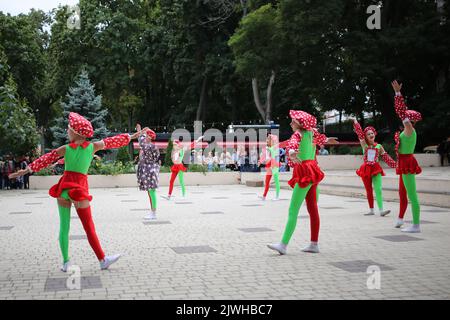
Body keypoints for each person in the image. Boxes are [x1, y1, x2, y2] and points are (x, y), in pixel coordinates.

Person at [9, 112, 138, 272]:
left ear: (76, 132)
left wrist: (27, 170)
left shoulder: (66, 148)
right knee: (89, 227)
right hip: (79, 189)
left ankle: (65, 262)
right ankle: (102, 259)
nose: (67, 131)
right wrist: (131, 136)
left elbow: (46, 158)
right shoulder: (92, 147)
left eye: (69, 129)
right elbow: (112, 141)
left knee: (64, 227)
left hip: (64, 189)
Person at [268, 110, 324, 255]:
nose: (291, 123)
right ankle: (314, 244)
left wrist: (292, 151)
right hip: (313, 170)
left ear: (300, 123)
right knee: (313, 209)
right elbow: (321, 140)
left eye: (293, 121)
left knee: (293, 210)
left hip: (305, 171)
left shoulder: (298, 134)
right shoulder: (312, 133)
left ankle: (283, 245)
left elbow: (293, 142)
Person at [391, 80, 423, 232]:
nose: (403, 119)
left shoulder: (409, 130)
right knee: (402, 192)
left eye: (406, 118)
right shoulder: (407, 131)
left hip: (408, 162)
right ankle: (400, 219)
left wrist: (398, 94)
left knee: (412, 194)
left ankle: (416, 225)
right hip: (403, 162)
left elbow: (401, 111)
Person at [352, 119, 396, 216]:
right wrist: (355, 122)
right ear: (366, 137)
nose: (371, 135)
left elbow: (386, 157)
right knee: (369, 190)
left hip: (376, 168)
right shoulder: (364, 145)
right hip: (366, 169)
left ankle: (381, 210)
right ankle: (371, 210)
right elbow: (359, 134)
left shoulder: (379, 146)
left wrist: (396, 165)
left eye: (372, 133)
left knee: (378, 189)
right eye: (368, 134)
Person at [164, 136, 204, 200]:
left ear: (177, 145)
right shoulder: (173, 151)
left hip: (179, 166)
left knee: (181, 181)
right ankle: (169, 195)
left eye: (174, 144)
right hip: (175, 167)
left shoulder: (182, 150)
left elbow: (191, 146)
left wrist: (197, 140)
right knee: (171, 181)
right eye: (173, 144)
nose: (173, 146)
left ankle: (183, 195)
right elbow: (173, 159)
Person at [135, 123, 160, 220]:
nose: (144, 137)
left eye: (146, 136)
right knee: (151, 191)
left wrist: (140, 131)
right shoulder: (154, 147)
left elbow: (140, 140)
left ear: (149, 137)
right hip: (152, 169)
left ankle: (153, 213)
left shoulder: (147, 146)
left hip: (148, 170)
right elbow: (157, 157)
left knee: (151, 191)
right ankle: (153, 212)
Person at [258, 134, 280, 201]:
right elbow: (263, 157)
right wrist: (260, 161)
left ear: (272, 141)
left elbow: (274, 156)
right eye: (267, 139)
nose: (267, 141)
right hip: (268, 166)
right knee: (267, 181)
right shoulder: (266, 149)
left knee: (276, 181)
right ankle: (264, 196)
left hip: (274, 165)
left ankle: (277, 196)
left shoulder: (275, 148)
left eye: (268, 140)